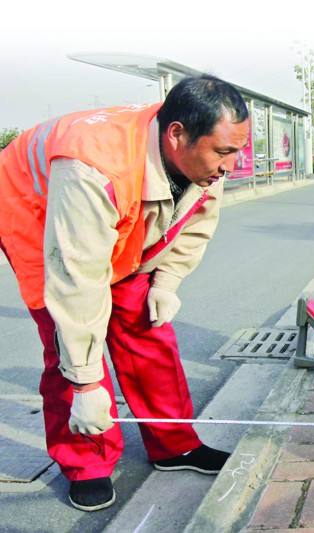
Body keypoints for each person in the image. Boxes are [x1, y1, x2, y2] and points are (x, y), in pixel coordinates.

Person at [0, 75, 250, 511]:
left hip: (115, 211)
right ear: (177, 135)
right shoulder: (90, 165)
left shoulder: (209, 157)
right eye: (224, 152)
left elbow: (196, 221)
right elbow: (77, 278)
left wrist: (166, 281)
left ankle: (174, 444)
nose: (231, 164)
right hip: (37, 214)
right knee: (68, 344)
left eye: (237, 151)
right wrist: (85, 383)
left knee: (147, 329)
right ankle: (86, 462)